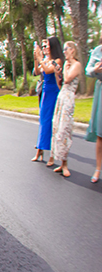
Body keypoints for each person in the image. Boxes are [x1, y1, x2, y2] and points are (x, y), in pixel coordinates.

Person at [50, 41, 82, 178]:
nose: (64, 52)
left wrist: (66, 68)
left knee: (65, 129)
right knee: (57, 128)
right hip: (61, 96)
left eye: (66, 49)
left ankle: (66, 165)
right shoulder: (67, 66)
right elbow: (61, 83)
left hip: (69, 99)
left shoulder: (76, 65)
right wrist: (58, 73)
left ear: (73, 50)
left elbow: (68, 79)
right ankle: (62, 163)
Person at [31, 36, 63, 165]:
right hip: (45, 92)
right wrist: (36, 58)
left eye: (46, 45)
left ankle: (51, 154)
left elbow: (49, 70)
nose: (44, 47)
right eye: (43, 46)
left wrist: (39, 57)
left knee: (51, 122)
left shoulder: (57, 60)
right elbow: (38, 71)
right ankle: (40, 150)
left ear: (52, 46)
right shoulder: (45, 59)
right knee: (43, 120)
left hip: (53, 92)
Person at [86, 33, 102, 183]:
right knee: (100, 134)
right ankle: (98, 168)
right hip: (101, 90)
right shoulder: (98, 50)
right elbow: (88, 70)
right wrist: (96, 69)